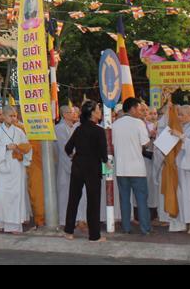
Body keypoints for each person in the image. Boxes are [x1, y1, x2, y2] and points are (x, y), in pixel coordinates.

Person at [64, 100, 107, 242]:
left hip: (77, 166)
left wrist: (75, 156)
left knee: (73, 199)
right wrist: (107, 163)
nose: (100, 112)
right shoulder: (99, 131)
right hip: (93, 169)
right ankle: (94, 235)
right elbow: (104, 155)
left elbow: (68, 148)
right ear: (92, 113)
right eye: (98, 109)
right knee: (93, 202)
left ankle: (69, 231)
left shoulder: (78, 129)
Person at [112, 98, 152, 235]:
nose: (141, 112)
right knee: (141, 199)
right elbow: (146, 143)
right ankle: (145, 228)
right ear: (133, 108)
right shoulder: (138, 123)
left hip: (121, 168)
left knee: (124, 199)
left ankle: (126, 227)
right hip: (137, 168)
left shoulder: (115, 124)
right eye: (140, 109)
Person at [164, 105, 190, 234]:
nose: (179, 117)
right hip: (178, 166)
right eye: (179, 114)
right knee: (180, 195)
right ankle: (180, 222)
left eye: (182, 114)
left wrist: (181, 137)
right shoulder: (178, 127)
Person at [0, 106, 32, 234]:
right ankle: (0, 222)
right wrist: (6, 147)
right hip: (3, 167)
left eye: (15, 116)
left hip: (16, 167)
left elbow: (28, 147)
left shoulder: (20, 132)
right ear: (3, 116)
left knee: (16, 195)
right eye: (11, 116)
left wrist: (21, 150)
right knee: (1, 195)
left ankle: (14, 225)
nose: (14, 118)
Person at [54, 105, 84, 227]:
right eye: (71, 112)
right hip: (65, 165)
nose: (74, 114)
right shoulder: (60, 128)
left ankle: (78, 219)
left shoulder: (75, 127)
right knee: (65, 194)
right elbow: (65, 148)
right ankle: (63, 221)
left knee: (77, 194)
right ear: (64, 115)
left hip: (76, 165)